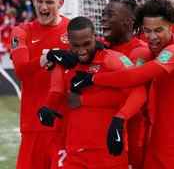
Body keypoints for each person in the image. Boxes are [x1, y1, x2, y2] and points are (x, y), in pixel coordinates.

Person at [75, 0, 174, 169]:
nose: (152, 37)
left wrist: (93, 79)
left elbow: (134, 76)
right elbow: (136, 85)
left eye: (158, 30)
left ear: (171, 27)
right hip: (155, 143)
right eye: (148, 30)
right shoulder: (146, 52)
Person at [38, 16, 147, 169]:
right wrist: (47, 108)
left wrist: (119, 120)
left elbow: (139, 92)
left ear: (94, 37)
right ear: (68, 41)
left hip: (108, 152)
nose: (82, 50)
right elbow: (56, 92)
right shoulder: (62, 63)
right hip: (74, 151)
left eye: (87, 44)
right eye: (76, 45)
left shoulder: (112, 60)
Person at [10, 0, 72, 169]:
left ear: (61, 3)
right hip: (33, 126)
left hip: (64, 127)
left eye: (49, 2)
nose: (43, 7)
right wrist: (45, 59)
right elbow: (21, 70)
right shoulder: (21, 32)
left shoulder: (73, 31)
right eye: (39, 1)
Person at [101, 0, 152, 169]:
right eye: (103, 13)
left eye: (110, 14)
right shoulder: (100, 47)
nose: (103, 18)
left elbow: (137, 91)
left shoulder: (141, 52)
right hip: (102, 130)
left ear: (128, 22)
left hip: (132, 131)